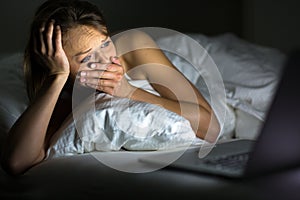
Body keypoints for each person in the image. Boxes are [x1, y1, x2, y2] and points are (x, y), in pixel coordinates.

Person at [0, 0, 220, 175]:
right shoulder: (65, 88)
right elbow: (17, 162)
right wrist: (57, 76)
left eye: (105, 43)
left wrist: (129, 92)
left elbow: (211, 127)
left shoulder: (133, 46)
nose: (106, 60)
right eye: (87, 58)